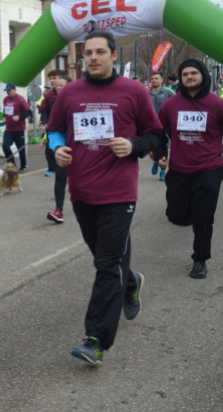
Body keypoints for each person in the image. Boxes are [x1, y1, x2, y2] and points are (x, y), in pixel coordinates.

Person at [47, 31, 164, 366]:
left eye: (100, 52)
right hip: (82, 191)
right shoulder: (69, 92)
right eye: (88, 53)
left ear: (115, 56)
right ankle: (131, 282)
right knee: (106, 259)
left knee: (105, 265)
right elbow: (54, 129)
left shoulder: (134, 91)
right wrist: (58, 148)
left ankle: (96, 339)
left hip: (119, 192)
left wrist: (134, 146)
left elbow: (155, 134)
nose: (93, 58)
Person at [152, 59, 223, 280]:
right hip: (179, 169)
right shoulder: (171, 104)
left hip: (209, 169)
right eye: (185, 74)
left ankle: (200, 259)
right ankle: (192, 213)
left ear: (203, 75)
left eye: (194, 73)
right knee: (175, 215)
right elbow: (157, 131)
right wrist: (161, 152)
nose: (189, 77)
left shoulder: (218, 104)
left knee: (203, 217)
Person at [45, 75, 72, 224]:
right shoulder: (56, 102)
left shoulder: (83, 100)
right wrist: (57, 147)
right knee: (60, 178)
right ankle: (59, 210)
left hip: (84, 148)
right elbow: (54, 128)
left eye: (62, 85)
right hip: (64, 147)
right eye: (57, 86)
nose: (58, 88)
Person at [148, 72, 174, 182]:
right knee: (150, 151)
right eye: (152, 78)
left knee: (163, 150)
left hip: (165, 126)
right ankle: (156, 160)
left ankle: (163, 171)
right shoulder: (146, 93)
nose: (154, 80)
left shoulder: (168, 92)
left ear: (162, 80)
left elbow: (176, 105)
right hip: (150, 126)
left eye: (156, 78)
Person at [2, 83, 31, 171]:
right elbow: (5, 109)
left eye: (9, 90)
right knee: (5, 146)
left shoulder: (20, 99)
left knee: (20, 148)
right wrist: (4, 116)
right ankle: (12, 165)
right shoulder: (5, 99)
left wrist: (19, 117)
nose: (8, 92)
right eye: (6, 91)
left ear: (15, 90)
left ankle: (23, 165)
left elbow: (28, 112)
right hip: (9, 129)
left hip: (19, 129)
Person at [40, 70, 63, 176]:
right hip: (52, 127)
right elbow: (45, 111)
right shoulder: (49, 95)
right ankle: (51, 169)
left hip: (66, 127)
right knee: (49, 149)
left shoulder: (68, 91)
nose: (52, 81)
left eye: (55, 78)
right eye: (51, 78)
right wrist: (45, 123)